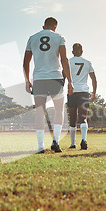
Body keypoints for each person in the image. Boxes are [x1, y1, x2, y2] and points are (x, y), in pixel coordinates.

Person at [23, 17, 74, 153]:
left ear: (43, 26)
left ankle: (40, 146)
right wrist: (70, 81)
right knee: (59, 110)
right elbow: (64, 59)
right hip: (55, 78)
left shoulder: (32, 38)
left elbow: (26, 61)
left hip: (39, 79)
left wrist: (27, 80)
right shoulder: (59, 37)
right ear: (55, 27)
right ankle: (55, 141)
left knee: (40, 111)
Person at [67, 43, 97, 150]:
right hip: (84, 92)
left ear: (72, 52)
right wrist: (94, 92)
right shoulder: (87, 63)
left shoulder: (68, 62)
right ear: (82, 51)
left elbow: (63, 76)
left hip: (72, 91)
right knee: (83, 118)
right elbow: (94, 79)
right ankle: (84, 140)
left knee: (72, 119)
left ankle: (72, 144)